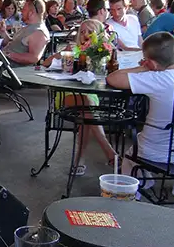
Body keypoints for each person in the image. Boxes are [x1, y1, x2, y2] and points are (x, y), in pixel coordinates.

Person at [107, 33, 174, 211]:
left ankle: (129, 198)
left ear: (152, 63)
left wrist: (143, 69)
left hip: (159, 153)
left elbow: (113, 78)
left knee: (130, 156)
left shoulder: (159, 79)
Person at [41, 19, 117, 176]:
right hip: (68, 92)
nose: (85, 35)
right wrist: (62, 53)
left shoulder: (105, 50)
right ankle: (109, 152)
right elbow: (46, 63)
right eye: (82, 32)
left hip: (91, 94)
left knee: (86, 110)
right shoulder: (74, 50)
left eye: (90, 32)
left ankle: (80, 159)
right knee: (87, 106)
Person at [0, 0, 50, 65]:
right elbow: (14, 44)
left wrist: (7, 54)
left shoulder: (38, 32)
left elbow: (33, 58)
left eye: (24, 10)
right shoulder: (28, 27)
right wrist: (3, 32)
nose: (21, 12)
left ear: (31, 13)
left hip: (11, 70)